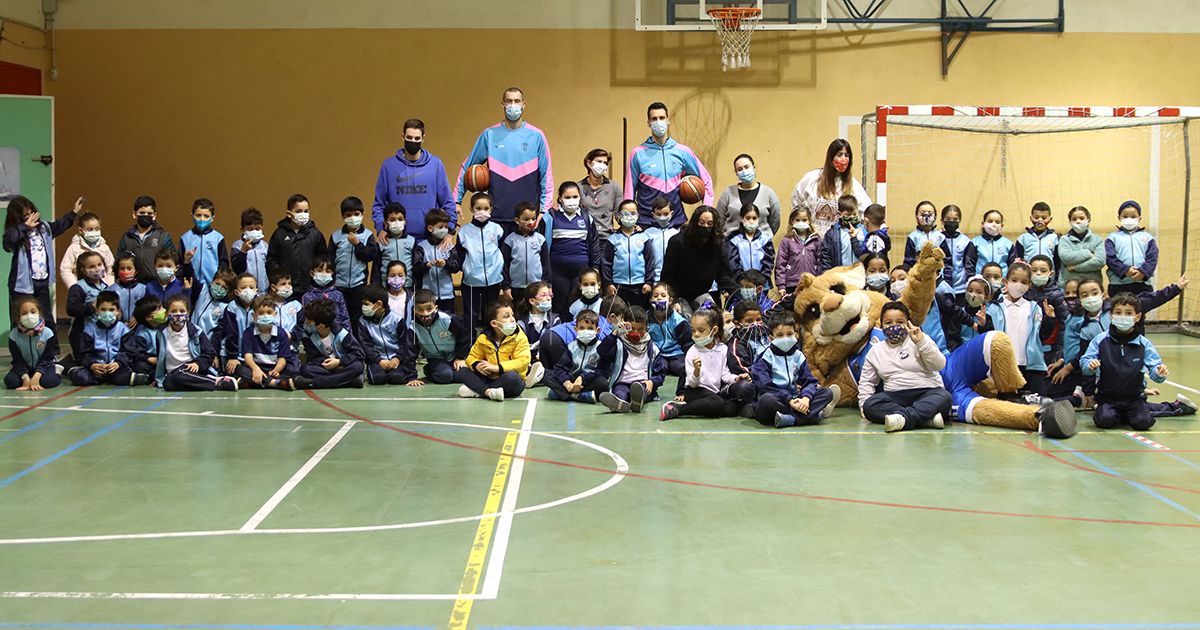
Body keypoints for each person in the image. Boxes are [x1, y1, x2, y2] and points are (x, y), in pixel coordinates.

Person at [456, 87, 554, 228]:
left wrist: (545, 210)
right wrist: (456, 201)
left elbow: (547, 176)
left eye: (517, 101)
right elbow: (467, 168)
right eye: (509, 101)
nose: (513, 105)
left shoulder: (537, 136)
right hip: (496, 218)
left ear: (524, 105)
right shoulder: (489, 134)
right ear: (503, 104)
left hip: (527, 219)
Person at [857, 301, 951, 433]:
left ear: (908, 323)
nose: (894, 326)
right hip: (895, 396)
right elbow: (867, 381)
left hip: (927, 392)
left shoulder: (921, 338)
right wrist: (863, 405)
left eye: (900, 322)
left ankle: (903, 419)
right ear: (881, 325)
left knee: (945, 397)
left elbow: (939, 365)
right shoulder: (875, 351)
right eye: (888, 323)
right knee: (870, 405)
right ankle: (925, 418)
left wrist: (921, 343)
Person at [1081, 294, 1166, 430]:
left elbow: (1155, 367)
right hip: (1107, 397)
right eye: (1118, 312)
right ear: (1111, 315)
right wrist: (1089, 365)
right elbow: (1085, 361)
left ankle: (1141, 411)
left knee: (1143, 423)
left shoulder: (1144, 344)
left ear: (1137, 317)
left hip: (1134, 397)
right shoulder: (1101, 340)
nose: (1123, 316)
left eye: (1128, 313)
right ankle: (1117, 413)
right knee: (1105, 421)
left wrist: (1159, 373)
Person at [746, 310, 841, 428]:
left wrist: (806, 398)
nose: (785, 338)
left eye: (789, 334)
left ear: (796, 335)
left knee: (826, 393)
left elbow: (809, 381)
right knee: (766, 400)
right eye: (780, 335)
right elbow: (765, 385)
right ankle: (811, 416)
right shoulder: (765, 357)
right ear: (771, 338)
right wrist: (789, 400)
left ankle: (791, 419)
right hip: (777, 399)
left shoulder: (798, 356)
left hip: (796, 399)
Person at [626, 101, 714, 227]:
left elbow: (707, 182)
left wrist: (706, 211)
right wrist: (628, 222)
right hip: (646, 222)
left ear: (668, 121)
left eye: (662, 118)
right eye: (654, 119)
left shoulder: (683, 152)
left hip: (676, 221)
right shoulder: (637, 153)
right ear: (648, 123)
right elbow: (629, 190)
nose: (658, 122)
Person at [658, 308, 753, 420]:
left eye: (701, 330)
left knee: (730, 408)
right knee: (717, 403)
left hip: (714, 393)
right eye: (693, 330)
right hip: (695, 391)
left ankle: (701, 407)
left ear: (714, 330)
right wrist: (696, 372)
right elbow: (692, 384)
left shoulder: (722, 349)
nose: (696, 334)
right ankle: (677, 409)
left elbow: (725, 375)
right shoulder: (692, 351)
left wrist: (737, 378)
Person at [372, 118, 458, 237]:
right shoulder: (388, 166)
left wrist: (450, 229)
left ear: (423, 138)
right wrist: (380, 228)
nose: (413, 141)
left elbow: (448, 202)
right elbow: (379, 204)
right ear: (403, 137)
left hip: (429, 239)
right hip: (397, 239)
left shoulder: (435, 165)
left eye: (417, 138)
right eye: (409, 137)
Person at [4, 195, 79, 330]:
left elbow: (60, 225)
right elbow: (9, 241)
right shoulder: (15, 232)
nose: (31, 218)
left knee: (47, 319)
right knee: (21, 320)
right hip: (22, 285)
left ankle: (51, 344)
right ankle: (20, 344)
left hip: (41, 282)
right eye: (25, 216)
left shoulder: (44, 228)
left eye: (31, 213)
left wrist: (73, 212)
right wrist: (25, 227)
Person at [154, 294, 238, 391]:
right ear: (167, 313)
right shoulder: (161, 333)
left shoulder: (196, 332)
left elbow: (210, 353)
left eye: (182, 311)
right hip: (173, 373)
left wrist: (198, 363)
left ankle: (217, 382)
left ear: (188, 312)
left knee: (178, 376)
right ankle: (205, 381)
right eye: (173, 311)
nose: (178, 314)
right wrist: (158, 377)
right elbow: (160, 356)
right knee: (167, 383)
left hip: (192, 368)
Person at [791, 139, 872, 237]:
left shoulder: (853, 185)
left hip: (837, 242)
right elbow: (796, 204)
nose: (843, 159)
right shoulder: (811, 178)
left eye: (846, 155)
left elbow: (867, 211)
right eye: (839, 154)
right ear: (831, 156)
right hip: (811, 240)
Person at [661, 205, 737, 308]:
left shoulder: (718, 244)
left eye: (710, 223)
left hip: (703, 294)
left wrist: (739, 294)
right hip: (679, 296)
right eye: (701, 222)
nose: (705, 226)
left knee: (712, 314)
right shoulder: (678, 241)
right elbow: (667, 275)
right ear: (695, 222)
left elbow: (724, 275)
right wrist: (673, 300)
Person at [457, 300, 532, 402]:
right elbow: (472, 357)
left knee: (513, 378)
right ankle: (488, 392)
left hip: (507, 378)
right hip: (488, 377)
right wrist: (477, 365)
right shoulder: (484, 338)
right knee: (462, 372)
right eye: (506, 316)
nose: (512, 319)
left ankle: (479, 390)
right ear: (494, 323)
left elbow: (523, 362)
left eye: (512, 315)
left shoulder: (519, 337)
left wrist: (497, 368)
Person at [598, 306, 668, 413]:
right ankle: (619, 403)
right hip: (622, 382)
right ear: (626, 325)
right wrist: (615, 334)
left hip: (643, 383)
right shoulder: (618, 344)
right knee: (620, 392)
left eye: (640, 329)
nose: (636, 333)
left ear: (646, 328)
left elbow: (661, 373)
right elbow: (602, 351)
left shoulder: (653, 348)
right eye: (632, 329)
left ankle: (637, 402)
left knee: (640, 390)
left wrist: (652, 382)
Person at [546, 182, 601, 316]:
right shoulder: (551, 217)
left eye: (575, 197)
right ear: (560, 198)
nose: (572, 200)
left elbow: (594, 244)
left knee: (578, 307)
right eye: (568, 197)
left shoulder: (587, 218)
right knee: (559, 307)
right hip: (557, 272)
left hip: (580, 271)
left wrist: (595, 267)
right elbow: (544, 245)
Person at [69, 291, 144, 386]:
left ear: (118, 311)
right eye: (103, 309)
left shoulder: (123, 329)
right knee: (81, 377)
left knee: (123, 377)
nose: (107, 313)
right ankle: (72, 369)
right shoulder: (89, 329)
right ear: (97, 310)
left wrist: (118, 363)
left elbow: (129, 351)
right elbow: (84, 352)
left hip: (116, 367)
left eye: (111, 310)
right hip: (95, 368)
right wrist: (92, 364)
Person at [457, 192, 506, 331]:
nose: (482, 211)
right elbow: (459, 254)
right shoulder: (464, 231)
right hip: (471, 280)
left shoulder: (497, 229)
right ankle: (469, 342)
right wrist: (466, 268)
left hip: (493, 279)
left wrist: (499, 268)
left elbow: (502, 250)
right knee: (470, 315)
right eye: (478, 208)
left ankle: (489, 339)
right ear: (471, 209)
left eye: (486, 208)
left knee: (490, 314)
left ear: (491, 209)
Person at [295, 298, 366, 390]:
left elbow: (358, 354)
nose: (306, 322)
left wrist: (339, 362)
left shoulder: (342, 334)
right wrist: (326, 363)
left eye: (309, 320)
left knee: (358, 366)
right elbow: (313, 358)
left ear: (321, 325)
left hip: (342, 365)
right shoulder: (307, 336)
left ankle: (314, 383)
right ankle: (349, 382)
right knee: (305, 369)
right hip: (324, 367)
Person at [329, 196, 378, 324]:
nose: (353, 218)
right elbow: (330, 260)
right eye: (348, 215)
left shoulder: (368, 235)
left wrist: (358, 245)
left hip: (359, 285)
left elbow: (371, 256)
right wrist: (332, 281)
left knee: (357, 318)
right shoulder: (336, 236)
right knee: (340, 317)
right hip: (339, 286)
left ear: (362, 214)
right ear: (343, 216)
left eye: (356, 214)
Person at [234, 295, 299, 390]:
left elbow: (282, 359)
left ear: (275, 314)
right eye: (261, 313)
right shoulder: (248, 332)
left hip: (275, 367)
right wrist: (256, 369)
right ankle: (276, 383)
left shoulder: (281, 333)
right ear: (254, 316)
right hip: (258, 366)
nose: (265, 316)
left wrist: (276, 370)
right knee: (239, 369)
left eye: (269, 312)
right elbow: (248, 357)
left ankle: (254, 382)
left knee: (293, 370)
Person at [266, 194, 326, 295]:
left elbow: (322, 257)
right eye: (298, 211)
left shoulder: (315, 234)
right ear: (289, 214)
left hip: (310, 286)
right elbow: (272, 258)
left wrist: (318, 276)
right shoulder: (279, 233)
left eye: (306, 211)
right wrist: (279, 277)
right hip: (286, 287)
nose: (303, 214)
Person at [358, 284, 418, 386]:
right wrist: (379, 360)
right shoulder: (363, 322)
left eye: (366, 304)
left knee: (397, 378)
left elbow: (405, 343)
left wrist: (398, 358)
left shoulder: (397, 319)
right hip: (377, 361)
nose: (363, 307)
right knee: (377, 379)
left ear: (378, 304)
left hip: (396, 359)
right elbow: (366, 345)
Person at [411, 289, 471, 386]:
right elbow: (410, 351)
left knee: (468, 374)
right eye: (420, 310)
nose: (425, 313)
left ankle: (448, 372)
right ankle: (431, 370)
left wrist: (460, 357)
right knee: (445, 375)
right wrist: (412, 377)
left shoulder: (447, 320)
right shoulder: (413, 327)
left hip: (454, 356)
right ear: (414, 310)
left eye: (429, 309)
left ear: (436, 308)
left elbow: (463, 336)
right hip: (435, 359)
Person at [546, 309, 606, 403]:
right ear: (576, 329)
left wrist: (582, 378)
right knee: (547, 376)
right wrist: (567, 383)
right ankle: (578, 396)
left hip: (588, 382)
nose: (585, 331)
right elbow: (559, 368)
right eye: (581, 328)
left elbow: (603, 371)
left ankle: (563, 394)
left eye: (590, 328)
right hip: (572, 381)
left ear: (597, 330)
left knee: (602, 383)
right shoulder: (572, 346)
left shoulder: (601, 347)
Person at [715, 153, 782, 237]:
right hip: (731, 242)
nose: (744, 171)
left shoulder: (768, 193)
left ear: (754, 168)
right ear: (736, 173)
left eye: (747, 167)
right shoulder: (728, 193)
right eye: (740, 169)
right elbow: (719, 220)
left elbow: (775, 221)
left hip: (761, 243)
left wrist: (764, 238)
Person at [602, 200, 653, 308]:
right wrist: (608, 283)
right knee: (619, 313)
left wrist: (649, 282)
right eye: (626, 213)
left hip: (640, 285)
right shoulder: (613, 239)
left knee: (638, 314)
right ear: (619, 216)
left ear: (638, 215)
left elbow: (650, 262)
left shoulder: (644, 238)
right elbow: (606, 263)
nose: (629, 216)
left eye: (633, 213)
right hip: (618, 285)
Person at [178, 197, 229, 304]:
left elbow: (223, 263)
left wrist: (218, 282)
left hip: (212, 287)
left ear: (212, 218)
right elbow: (180, 264)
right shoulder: (185, 238)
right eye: (198, 215)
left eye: (206, 216)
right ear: (192, 216)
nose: (202, 219)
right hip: (191, 286)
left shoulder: (218, 238)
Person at [6, 296, 61, 390]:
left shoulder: (48, 334)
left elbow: (47, 358)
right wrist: (25, 377)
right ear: (19, 317)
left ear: (39, 313)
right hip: (25, 367)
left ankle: (57, 369)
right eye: (24, 313)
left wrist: (37, 376)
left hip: (44, 366)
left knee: (48, 382)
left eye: (33, 312)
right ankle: (28, 377)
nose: (29, 316)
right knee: (11, 382)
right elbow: (17, 359)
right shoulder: (14, 335)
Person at [501, 202, 550, 305]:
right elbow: (504, 265)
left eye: (533, 219)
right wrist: (506, 287)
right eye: (526, 219)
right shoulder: (510, 240)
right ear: (517, 220)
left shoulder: (540, 239)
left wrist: (547, 285)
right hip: (516, 287)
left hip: (537, 287)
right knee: (518, 311)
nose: (530, 222)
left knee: (536, 311)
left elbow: (546, 264)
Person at [413, 208, 461, 313]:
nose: (444, 230)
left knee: (448, 319)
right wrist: (427, 265)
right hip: (428, 295)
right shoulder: (422, 247)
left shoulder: (449, 246)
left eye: (446, 227)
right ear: (430, 228)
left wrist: (446, 264)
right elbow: (416, 269)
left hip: (447, 294)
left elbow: (456, 267)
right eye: (440, 227)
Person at [1105, 200, 1157, 296]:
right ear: (1119, 218)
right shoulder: (1112, 238)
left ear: (1139, 218)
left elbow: (1152, 258)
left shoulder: (1148, 238)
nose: (1129, 219)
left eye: (1133, 216)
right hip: (1118, 285)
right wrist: (1125, 270)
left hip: (1142, 284)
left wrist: (1143, 272)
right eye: (1125, 216)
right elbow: (1109, 258)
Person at [117, 195, 175, 283]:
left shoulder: (163, 236)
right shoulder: (127, 237)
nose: (145, 216)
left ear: (154, 215)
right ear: (134, 214)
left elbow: (172, 260)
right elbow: (119, 261)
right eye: (142, 213)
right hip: (133, 285)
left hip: (157, 284)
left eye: (149, 213)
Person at [65, 251, 110, 360]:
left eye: (99, 264)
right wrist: (92, 307)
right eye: (92, 266)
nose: (97, 268)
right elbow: (71, 309)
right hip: (82, 334)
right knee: (85, 361)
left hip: (100, 332)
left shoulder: (105, 286)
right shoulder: (78, 287)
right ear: (83, 270)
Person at [59, 211, 114, 290]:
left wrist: (109, 287)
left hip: (102, 289)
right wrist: (75, 287)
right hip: (82, 290)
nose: (94, 232)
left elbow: (111, 268)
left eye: (97, 229)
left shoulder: (104, 248)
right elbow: (65, 270)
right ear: (81, 230)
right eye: (90, 229)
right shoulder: (74, 248)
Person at [646, 282, 691, 377]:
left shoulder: (679, 320)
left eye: (663, 295)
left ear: (670, 300)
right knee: (658, 369)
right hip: (657, 354)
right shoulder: (646, 319)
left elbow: (687, 343)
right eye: (655, 296)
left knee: (683, 369)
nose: (659, 298)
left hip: (676, 354)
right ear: (650, 300)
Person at [579, 148, 622, 239]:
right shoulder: (578, 188)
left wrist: (629, 223)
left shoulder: (614, 187)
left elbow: (619, 214)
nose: (602, 165)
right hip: (584, 237)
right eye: (599, 161)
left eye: (605, 163)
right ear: (589, 163)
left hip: (606, 237)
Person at [727, 205, 776, 286]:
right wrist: (742, 280)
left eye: (754, 218)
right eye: (748, 218)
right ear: (741, 219)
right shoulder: (734, 240)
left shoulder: (765, 240)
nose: (751, 221)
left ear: (758, 219)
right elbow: (733, 264)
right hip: (741, 285)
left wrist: (762, 280)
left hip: (762, 285)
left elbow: (768, 262)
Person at [775, 208, 821, 293]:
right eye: (797, 220)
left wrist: (819, 282)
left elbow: (820, 262)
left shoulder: (816, 240)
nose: (801, 222)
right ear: (792, 221)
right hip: (792, 284)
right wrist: (781, 286)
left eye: (804, 220)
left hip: (811, 283)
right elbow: (780, 263)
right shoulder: (787, 240)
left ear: (809, 221)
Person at [1056, 205, 1105, 286]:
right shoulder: (1064, 239)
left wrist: (1076, 267)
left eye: (1082, 218)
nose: (1078, 221)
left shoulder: (1097, 240)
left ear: (1088, 220)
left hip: (1092, 285)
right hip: (1068, 286)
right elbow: (1066, 258)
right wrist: (1088, 254)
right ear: (1070, 221)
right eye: (1074, 219)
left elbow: (1100, 261)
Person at [301, 255, 351, 333]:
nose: (323, 274)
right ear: (312, 273)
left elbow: (345, 318)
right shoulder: (307, 296)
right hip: (316, 335)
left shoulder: (338, 295)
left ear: (332, 273)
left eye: (328, 271)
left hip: (337, 334)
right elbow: (307, 321)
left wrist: (347, 335)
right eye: (320, 270)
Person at [940, 204, 975, 302]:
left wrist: (969, 283)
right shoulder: (937, 239)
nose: (952, 222)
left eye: (955, 219)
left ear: (960, 220)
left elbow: (969, 265)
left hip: (961, 289)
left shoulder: (966, 241)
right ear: (942, 220)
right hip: (941, 288)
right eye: (948, 219)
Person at [376, 203, 417, 288]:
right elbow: (376, 267)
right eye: (392, 220)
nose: (397, 222)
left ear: (405, 221)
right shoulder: (381, 242)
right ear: (386, 223)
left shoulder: (411, 241)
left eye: (400, 219)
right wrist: (376, 288)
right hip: (386, 286)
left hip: (407, 285)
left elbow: (416, 265)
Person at [819, 195, 864, 272]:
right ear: (839, 214)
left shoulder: (863, 230)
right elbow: (826, 258)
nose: (852, 217)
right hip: (840, 274)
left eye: (854, 214)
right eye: (848, 215)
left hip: (860, 274)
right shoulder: (832, 234)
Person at [1011, 202, 1059, 271]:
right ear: (1031, 218)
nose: (1040, 220)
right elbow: (1018, 260)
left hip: (1048, 275)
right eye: (1036, 217)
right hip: (1029, 275)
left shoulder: (1054, 238)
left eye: (1044, 218)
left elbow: (1057, 261)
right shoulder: (1023, 238)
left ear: (1050, 219)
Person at [231, 207, 269, 294]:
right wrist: (243, 252)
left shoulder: (265, 246)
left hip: (263, 291)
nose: (254, 231)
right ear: (242, 229)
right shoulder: (237, 246)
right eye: (250, 229)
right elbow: (237, 268)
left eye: (257, 228)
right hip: (245, 291)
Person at [643, 197, 678, 284]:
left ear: (671, 213)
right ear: (653, 214)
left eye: (666, 214)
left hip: (672, 281)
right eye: (658, 214)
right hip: (652, 280)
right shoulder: (647, 234)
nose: (662, 217)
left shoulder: (676, 234)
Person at [971, 209, 1013, 277]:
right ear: (983, 224)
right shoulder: (975, 242)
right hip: (981, 281)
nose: (993, 224)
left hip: (1002, 281)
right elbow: (970, 264)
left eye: (997, 222)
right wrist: (972, 279)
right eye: (990, 221)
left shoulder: (1008, 244)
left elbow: (1012, 266)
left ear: (1002, 226)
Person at [904, 201, 943, 268]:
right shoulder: (912, 237)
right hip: (918, 273)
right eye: (922, 214)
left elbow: (947, 260)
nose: (926, 216)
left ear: (935, 217)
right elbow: (908, 261)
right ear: (917, 216)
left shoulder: (941, 237)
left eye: (930, 214)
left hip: (938, 274)